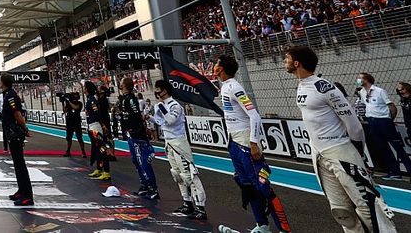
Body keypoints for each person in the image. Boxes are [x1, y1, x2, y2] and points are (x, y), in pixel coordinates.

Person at [285, 46, 396, 232]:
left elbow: (354, 125)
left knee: (367, 205)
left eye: (287, 58)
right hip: (318, 154)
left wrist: (357, 155)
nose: (284, 62)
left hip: (339, 150)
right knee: (341, 210)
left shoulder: (325, 87)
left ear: (297, 63)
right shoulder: (301, 84)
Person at [215, 54, 290, 233]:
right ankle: (262, 226)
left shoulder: (234, 87)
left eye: (216, 65)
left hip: (245, 143)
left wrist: (254, 143)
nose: (214, 67)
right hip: (234, 142)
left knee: (262, 186)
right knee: (246, 186)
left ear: (222, 69)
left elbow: (254, 115)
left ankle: (284, 229)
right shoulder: (225, 87)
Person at [152, 79, 206, 220]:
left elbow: (170, 120)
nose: (156, 92)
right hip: (168, 142)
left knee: (189, 174)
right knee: (177, 174)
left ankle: (200, 207)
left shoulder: (175, 105)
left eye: (158, 89)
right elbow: (161, 122)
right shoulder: (160, 106)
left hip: (179, 142)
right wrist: (151, 118)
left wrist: (161, 108)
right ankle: (187, 203)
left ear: (165, 90)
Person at [358, 72, 411, 181]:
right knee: (383, 147)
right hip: (372, 122)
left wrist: (389, 120)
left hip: (384, 121)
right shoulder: (362, 92)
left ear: (366, 79)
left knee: (397, 147)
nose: (358, 80)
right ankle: (394, 172)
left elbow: (392, 107)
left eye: (360, 78)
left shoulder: (379, 91)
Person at [119, 77, 158, 200]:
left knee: (143, 161)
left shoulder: (131, 99)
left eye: (121, 82)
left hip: (137, 134)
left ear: (125, 85)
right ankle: (144, 184)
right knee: (136, 160)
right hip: (131, 134)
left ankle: (153, 187)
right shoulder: (124, 99)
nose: (120, 84)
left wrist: (138, 129)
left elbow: (136, 115)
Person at [0, 73, 34, 206]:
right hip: (10, 132)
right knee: (17, 164)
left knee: (20, 164)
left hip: (15, 133)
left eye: (0, 80)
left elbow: (17, 114)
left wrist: (25, 129)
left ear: (4, 82)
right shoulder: (7, 94)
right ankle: (21, 190)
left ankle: (28, 196)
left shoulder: (11, 96)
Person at [84, 81, 110, 180]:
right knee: (97, 150)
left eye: (84, 87)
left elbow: (97, 113)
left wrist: (102, 125)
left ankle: (106, 171)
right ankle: (99, 169)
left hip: (96, 127)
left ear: (87, 89)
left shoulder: (92, 100)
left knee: (101, 149)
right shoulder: (89, 99)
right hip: (91, 126)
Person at [61, 89, 86, 158]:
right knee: (69, 137)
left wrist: (68, 101)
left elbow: (75, 108)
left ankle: (83, 151)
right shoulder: (69, 103)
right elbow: (64, 110)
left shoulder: (79, 103)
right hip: (69, 121)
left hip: (77, 121)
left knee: (79, 137)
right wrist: (63, 102)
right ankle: (68, 151)